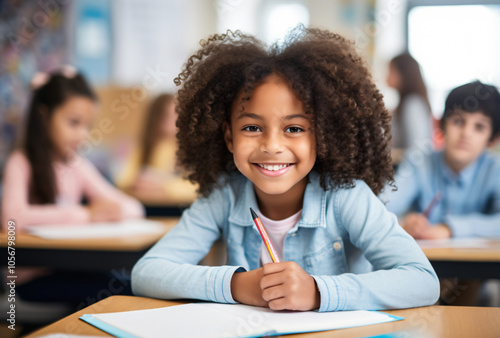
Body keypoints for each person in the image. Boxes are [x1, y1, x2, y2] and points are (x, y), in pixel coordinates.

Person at [132, 27, 439, 312]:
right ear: (229, 137)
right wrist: (236, 285)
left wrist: (319, 292)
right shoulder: (224, 196)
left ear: (322, 135)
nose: (272, 146)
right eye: (252, 127)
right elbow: (147, 273)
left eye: (293, 128)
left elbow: (423, 281)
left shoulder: (347, 197)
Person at [1, 67, 144, 230]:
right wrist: (86, 214)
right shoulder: (20, 162)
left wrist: (115, 211)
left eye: (88, 126)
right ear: (45, 117)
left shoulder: (76, 165)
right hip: (30, 254)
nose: (83, 135)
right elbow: (11, 220)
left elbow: (135, 208)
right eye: (74, 122)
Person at [380, 81, 500, 239]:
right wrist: (404, 224)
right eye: (458, 121)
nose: (466, 134)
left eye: (479, 127)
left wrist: (449, 228)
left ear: (493, 139)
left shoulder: (495, 169)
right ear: (441, 125)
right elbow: (382, 206)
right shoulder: (418, 161)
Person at [115, 93, 197, 204]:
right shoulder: (144, 147)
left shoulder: (188, 149)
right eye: (169, 116)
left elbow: (196, 186)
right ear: (156, 119)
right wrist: (138, 182)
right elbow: (122, 178)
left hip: (173, 207)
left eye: (179, 115)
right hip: (145, 205)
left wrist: (162, 186)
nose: (176, 122)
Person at [387, 53, 433, 161]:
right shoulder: (405, 104)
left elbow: (416, 150)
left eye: (390, 70)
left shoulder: (412, 104)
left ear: (403, 74)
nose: (387, 75)